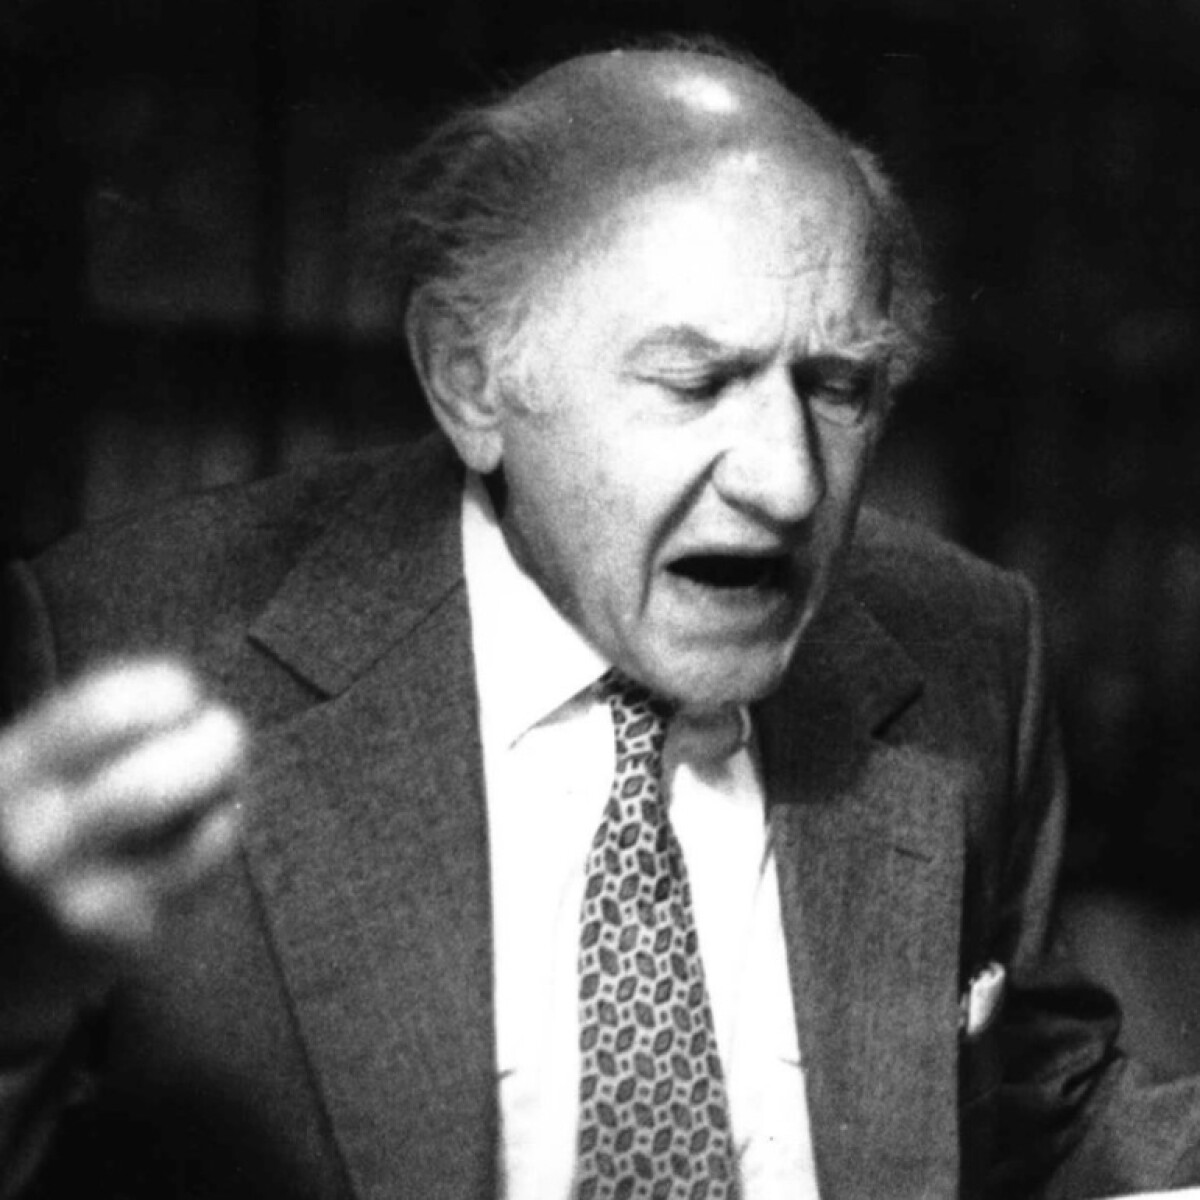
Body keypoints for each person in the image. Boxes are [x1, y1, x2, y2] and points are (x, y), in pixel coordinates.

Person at [2, 41, 1199, 1200]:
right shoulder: (121, 635)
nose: (788, 483)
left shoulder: (965, 644)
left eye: (838, 387)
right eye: (695, 383)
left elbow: (1046, 1118)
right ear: (470, 379)